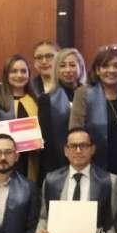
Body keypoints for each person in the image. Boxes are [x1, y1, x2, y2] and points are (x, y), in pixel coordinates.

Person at [69, 44, 117, 181]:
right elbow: (75, 130)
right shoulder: (84, 94)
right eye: (105, 66)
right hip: (96, 167)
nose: (111, 70)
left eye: (116, 66)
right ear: (97, 70)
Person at [0, 55, 41, 182]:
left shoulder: (35, 100)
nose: (19, 75)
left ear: (29, 74)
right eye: (14, 71)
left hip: (31, 163)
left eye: (23, 71)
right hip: (2, 162)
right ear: (6, 75)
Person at [37, 47, 86, 176]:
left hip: (88, 157)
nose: (68, 70)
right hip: (57, 161)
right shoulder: (46, 99)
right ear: (56, 70)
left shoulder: (91, 96)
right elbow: (46, 138)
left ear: (81, 68)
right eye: (62, 66)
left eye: (72, 65)